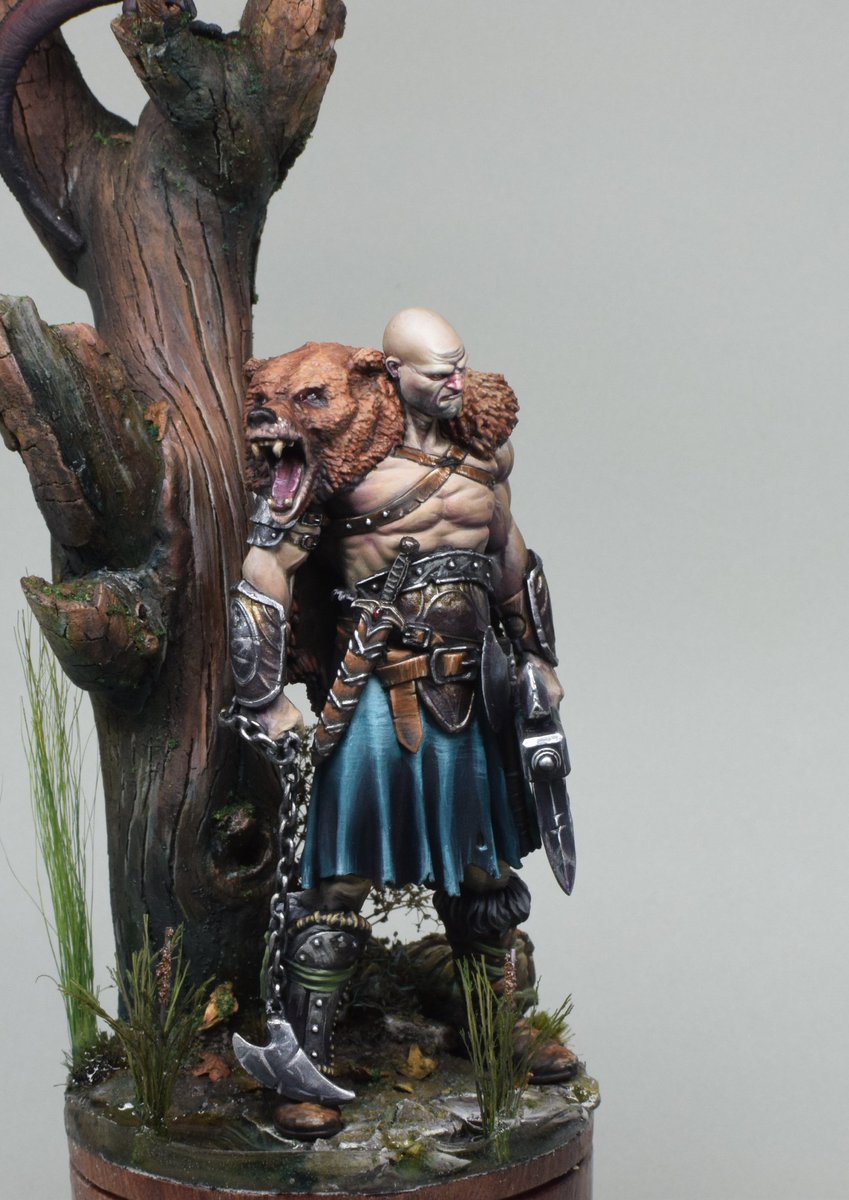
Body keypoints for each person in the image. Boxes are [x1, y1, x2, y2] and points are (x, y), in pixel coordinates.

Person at [229, 308, 572, 1135]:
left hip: (473, 692)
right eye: (435, 371)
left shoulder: (484, 456)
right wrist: (264, 696)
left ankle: (494, 1027)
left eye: (459, 366)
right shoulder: (340, 465)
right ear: (391, 373)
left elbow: (509, 557)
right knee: (336, 882)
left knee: (485, 876)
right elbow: (266, 565)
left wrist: (537, 655)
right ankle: (304, 1064)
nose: (454, 382)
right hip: (379, 695)